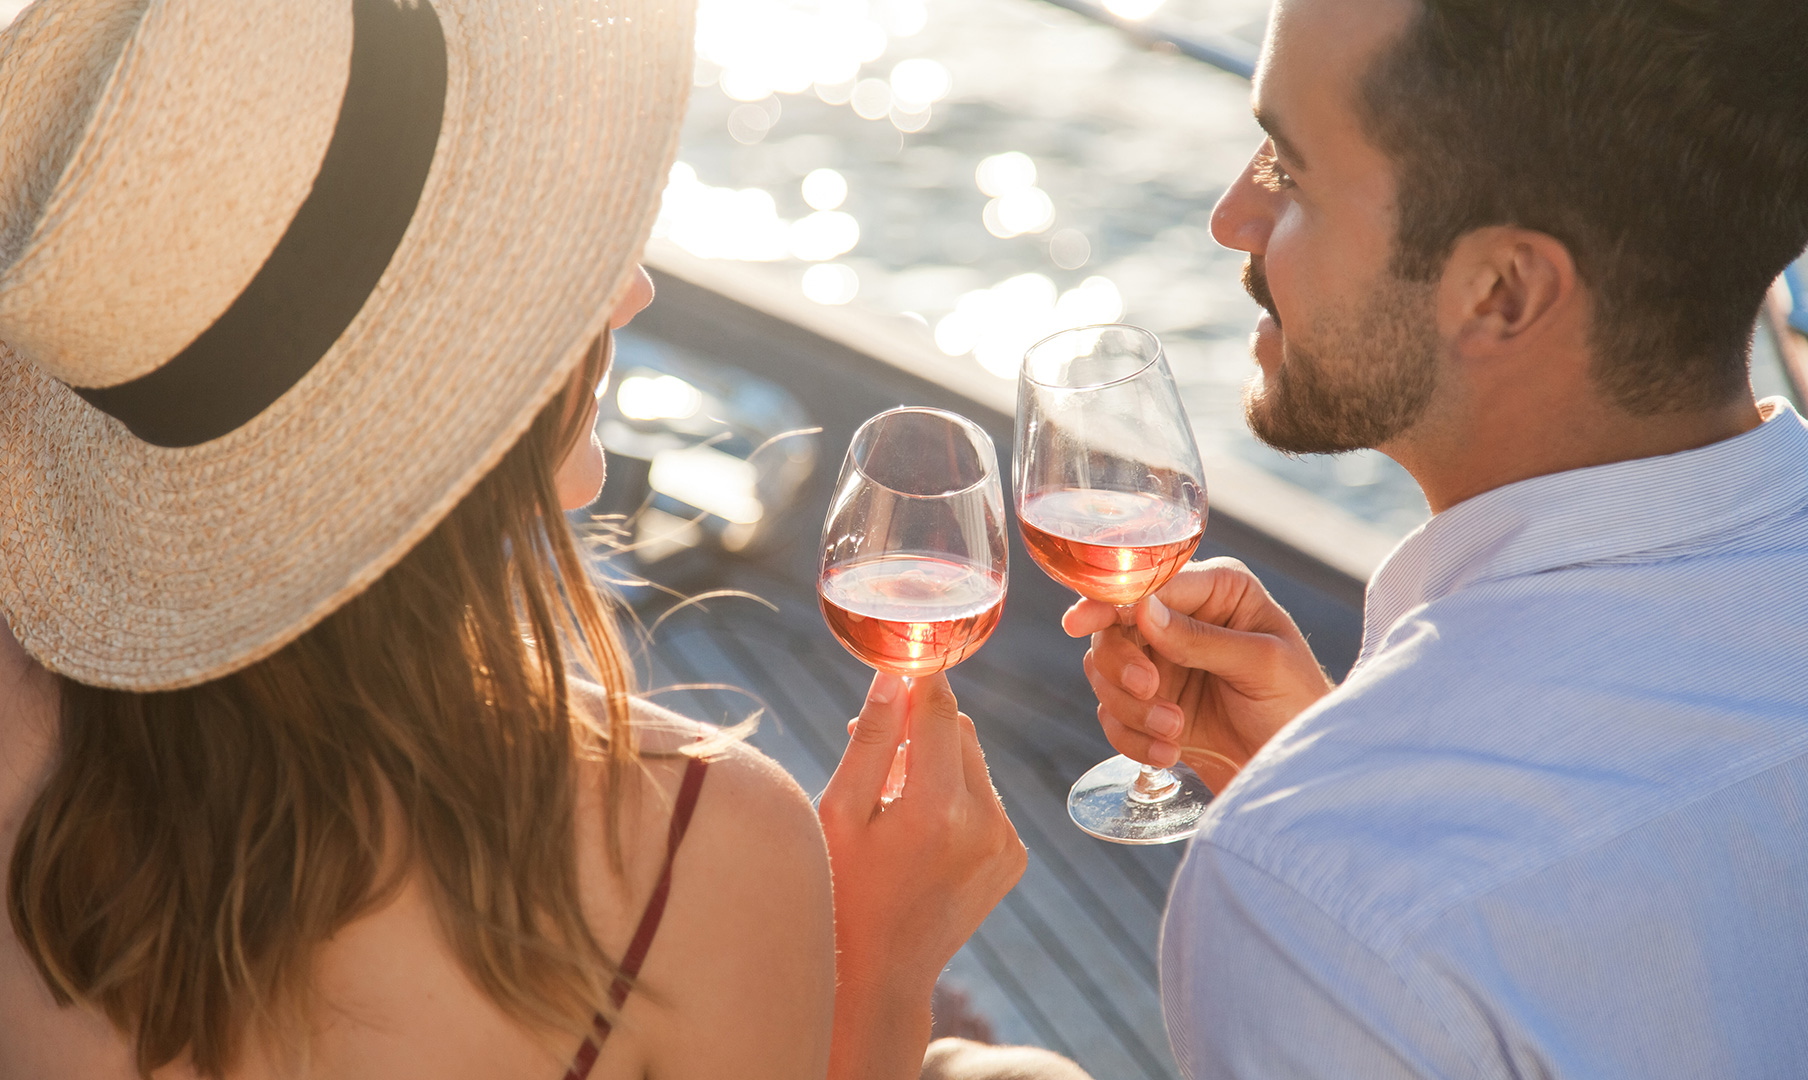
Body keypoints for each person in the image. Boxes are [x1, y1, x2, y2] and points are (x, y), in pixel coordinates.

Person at [0, 1, 1028, 1078]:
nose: (631, 290)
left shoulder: (27, 723)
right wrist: (881, 958)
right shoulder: (692, 846)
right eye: (539, 270)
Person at [1068, 0, 1808, 1076]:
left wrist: (1331, 819)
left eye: (1287, 168)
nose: (1232, 218)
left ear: (1500, 292)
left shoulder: (1313, 907)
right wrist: (1323, 760)